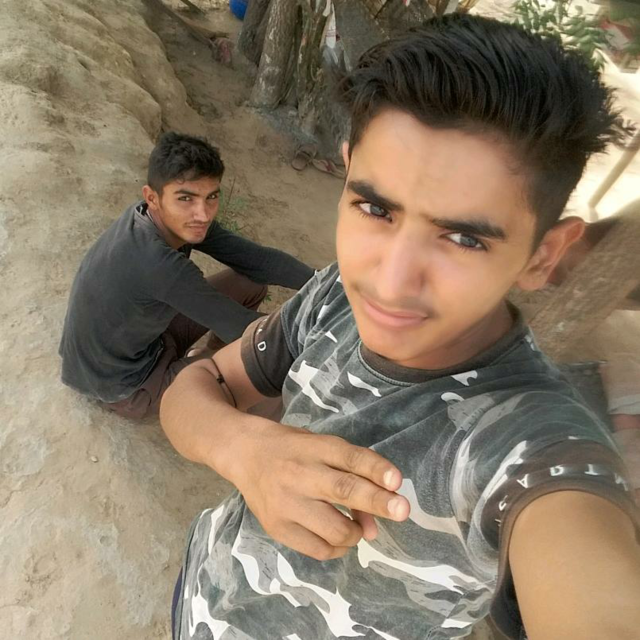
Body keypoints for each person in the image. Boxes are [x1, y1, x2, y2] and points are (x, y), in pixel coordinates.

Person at [161, 16, 640, 640]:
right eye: (375, 208)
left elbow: (589, 582)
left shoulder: (532, 448)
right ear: (346, 172)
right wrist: (242, 449)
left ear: (543, 256)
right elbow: (195, 388)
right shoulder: (336, 292)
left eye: (464, 238)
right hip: (199, 589)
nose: (390, 281)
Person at [59, 132, 314, 419]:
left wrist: (326, 282)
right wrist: (324, 338)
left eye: (211, 197)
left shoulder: (158, 218)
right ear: (152, 197)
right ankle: (238, 417)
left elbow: (258, 260)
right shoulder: (157, 263)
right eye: (186, 198)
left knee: (250, 281)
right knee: (270, 380)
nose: (202, 214)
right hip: (130, 386)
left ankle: (208, 357)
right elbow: (246, 330)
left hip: (148, 341)